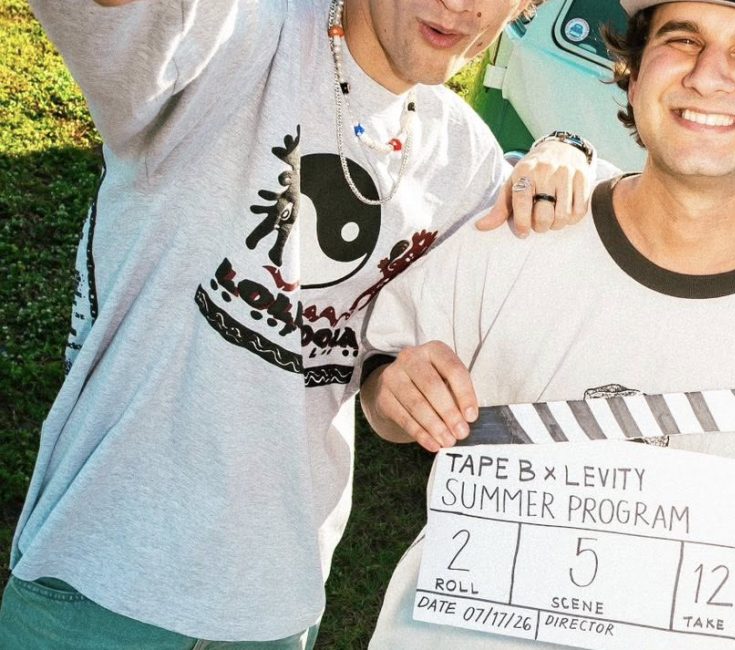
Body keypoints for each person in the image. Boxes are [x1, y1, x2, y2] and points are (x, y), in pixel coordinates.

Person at [1, 0, 592, 646]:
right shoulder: (234, 34)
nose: (461, 4)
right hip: (102, 582)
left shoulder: (466, 163)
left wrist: (568, 149)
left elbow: (387, 389)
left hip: (276, 608)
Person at [357, 0, 735, 647]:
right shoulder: (516, 230)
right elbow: (384, 394)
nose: (708, 74)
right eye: (682, 39)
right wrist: (394, 391)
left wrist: (663, 588)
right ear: (632, 76)